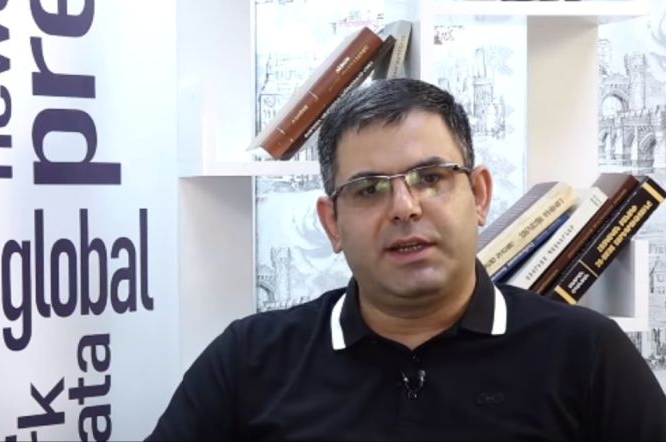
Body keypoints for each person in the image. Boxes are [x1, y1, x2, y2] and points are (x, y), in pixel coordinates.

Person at [147, 78, 666, 440]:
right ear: (332, 223)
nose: (404, 207)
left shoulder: (586, 355)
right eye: (369, 189)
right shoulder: (250, 360)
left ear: (479, 195)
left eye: (430, 178)